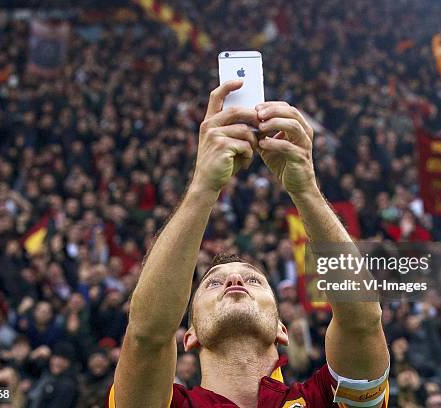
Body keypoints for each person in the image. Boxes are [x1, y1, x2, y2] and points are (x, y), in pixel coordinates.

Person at [107, 80, 390, 407]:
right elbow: (146, 335)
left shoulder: (322, 400)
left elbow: (363, 321)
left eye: (254, 279)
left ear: (281, 329)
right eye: (212, 283)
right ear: (190, 335)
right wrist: (203, 186)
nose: (234, 280)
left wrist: (306, 190)